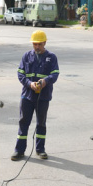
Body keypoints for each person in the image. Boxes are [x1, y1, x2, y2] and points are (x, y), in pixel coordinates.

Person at [12, 30, 60, 161]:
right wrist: (29, 84)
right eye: (34, 44)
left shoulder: (51, 57)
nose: (36, 47)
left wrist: (45, 81)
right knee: (23, 122)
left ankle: (40, 150)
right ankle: (19, 150)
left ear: (44, 43)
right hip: (27, 96)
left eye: (39, 44)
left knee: (41, 123)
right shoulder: (26, 56)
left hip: (43, 97)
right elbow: (20, 74)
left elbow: (55, 74)